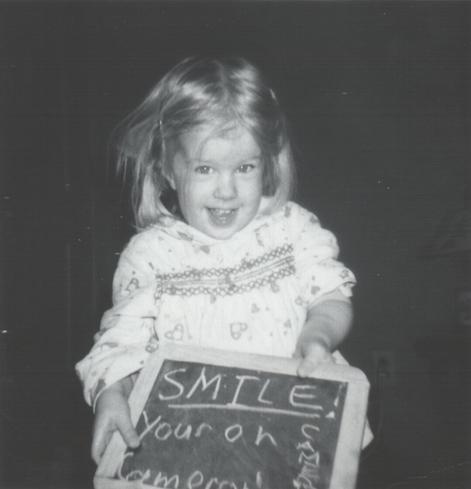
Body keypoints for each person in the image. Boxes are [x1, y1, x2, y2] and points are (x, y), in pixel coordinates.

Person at [76, 56, 372, 464]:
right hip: (193, 448)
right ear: (167, 169)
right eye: (205, 169)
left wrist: (317, 336)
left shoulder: (293, 230)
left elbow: (333, 298)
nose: (227, 190)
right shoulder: (151, 256)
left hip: (291, 437)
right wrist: (112, 395)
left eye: (245, 167)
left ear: (267, 163)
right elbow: (120, 344)